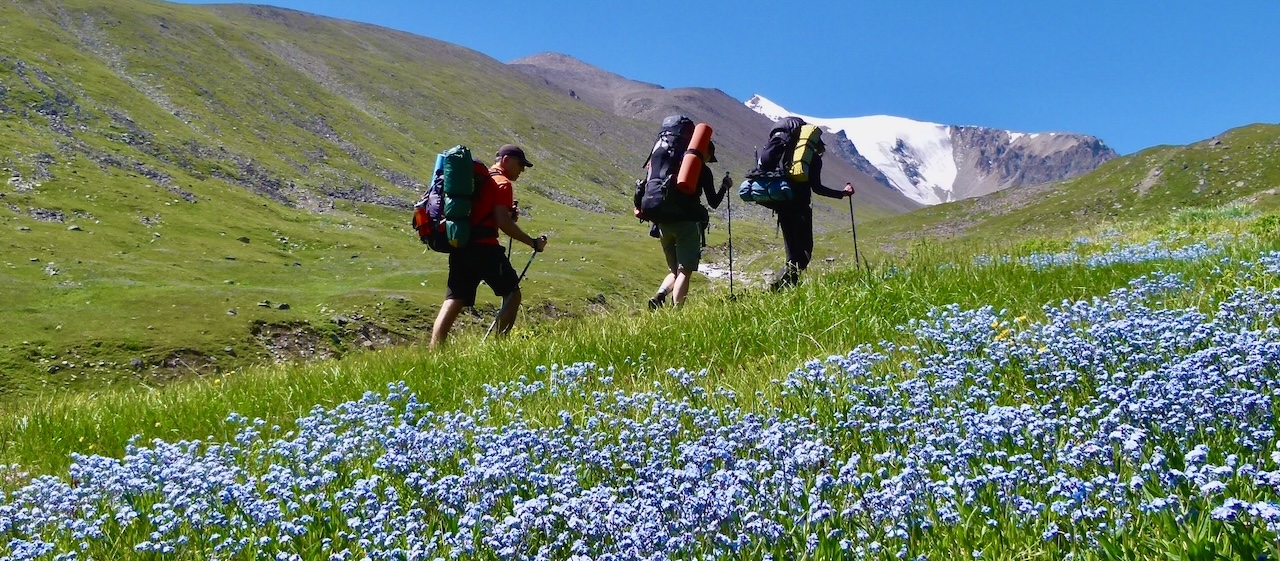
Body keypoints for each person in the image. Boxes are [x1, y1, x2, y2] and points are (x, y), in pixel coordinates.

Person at [430, 144, 548, 347]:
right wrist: (532, 242)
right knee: (512, 295)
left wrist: (506, 216)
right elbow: (502, 221)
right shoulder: (502, 184)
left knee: (454, 299)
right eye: (520, 164)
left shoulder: (479, 181)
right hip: (485, 249)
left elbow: (485, 213)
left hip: (462, 245)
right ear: (506, 160)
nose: (522, 170)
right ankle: (499, 346)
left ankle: (434, 349)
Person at [639, 141, 731, 309]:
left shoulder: (671, 165)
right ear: (706, 153)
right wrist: (725, 187)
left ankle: (660, 295)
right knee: (684, 271)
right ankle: (677, 314)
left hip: (663, 224)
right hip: (687, 225)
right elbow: (714, 202)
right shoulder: (702, 169)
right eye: (710, 157)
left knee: (674, 271)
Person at [767, 117, 854, 291]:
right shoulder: (811, 158)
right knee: (804, 254)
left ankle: (783, 289)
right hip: (800, 209)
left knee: (792, 254)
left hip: (783, 207)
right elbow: (817, 188)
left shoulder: (784, 153)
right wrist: (842, 194)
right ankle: (779, 287)